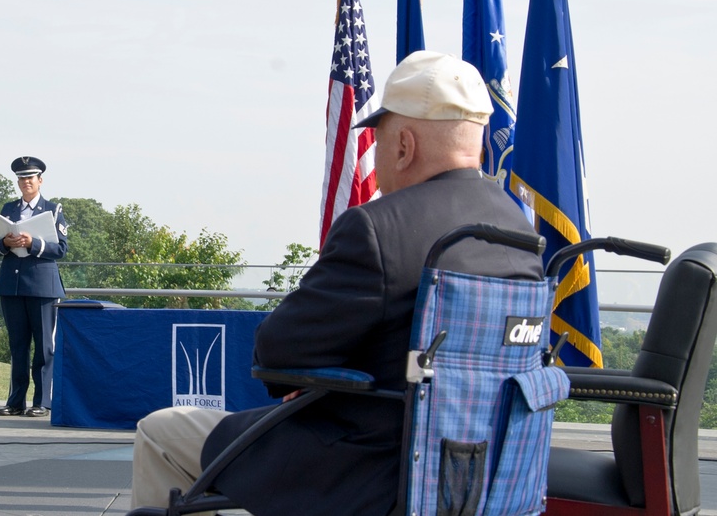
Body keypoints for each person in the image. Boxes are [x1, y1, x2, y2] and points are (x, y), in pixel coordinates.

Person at [130, 51, 545, 516]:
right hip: (477, 477)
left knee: (161, 431)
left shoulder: (379, 228)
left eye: (379, 142)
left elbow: (278, 351)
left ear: (405, 145)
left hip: (367, 469)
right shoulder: (521, 236)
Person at [0, 156, 69, 418]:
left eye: (30, 178)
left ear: (40, 180)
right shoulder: (9, 208)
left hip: (42, 287)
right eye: (22, 178)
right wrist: (7, 244)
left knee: (45, 347)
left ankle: (42, 401)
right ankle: (15, 401)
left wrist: (32, 242)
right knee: (18, 345)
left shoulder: (53, 210)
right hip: (12, 286)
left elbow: (61, 249)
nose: (26, 182)